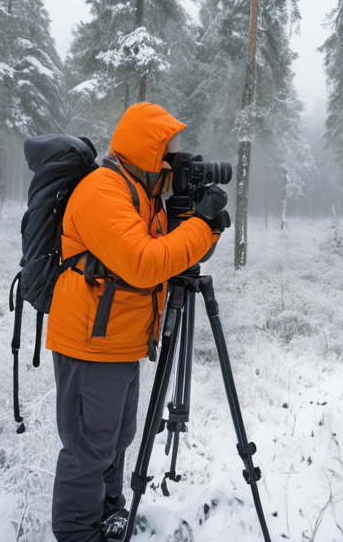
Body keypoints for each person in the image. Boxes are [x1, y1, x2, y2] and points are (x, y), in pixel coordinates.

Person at [46, 102, 228, 542]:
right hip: (91, 341)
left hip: (121, 339)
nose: (173, 163)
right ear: (147, 152)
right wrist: (199, 224)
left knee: (116, 437)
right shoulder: (102, 190)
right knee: (90, 446)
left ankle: (110, 512)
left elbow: (174, 255)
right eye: (169, 154)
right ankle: (77, 534)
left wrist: (203, 225)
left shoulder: (144, 196)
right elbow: (145, 264)